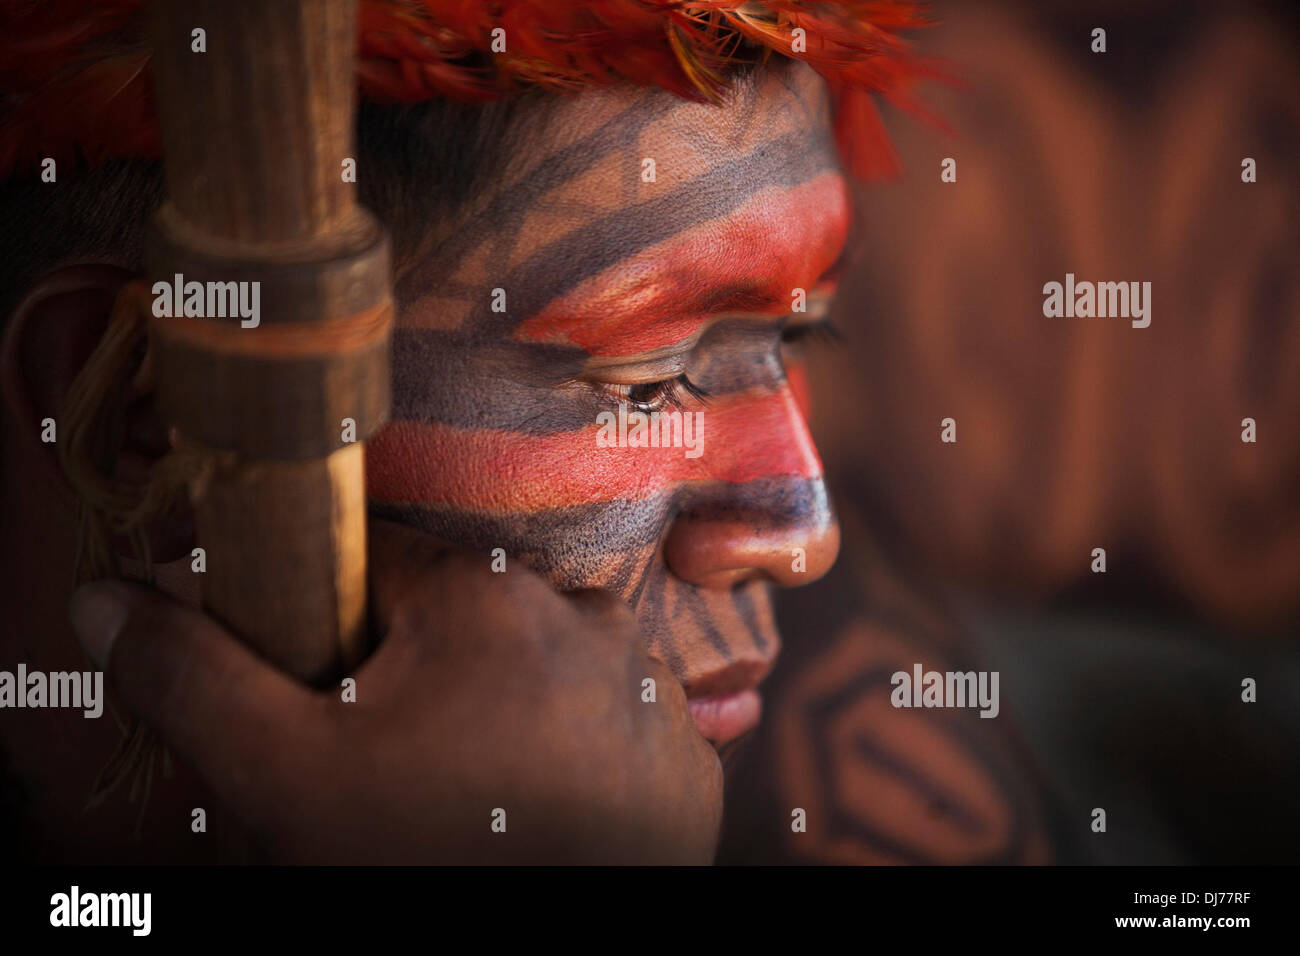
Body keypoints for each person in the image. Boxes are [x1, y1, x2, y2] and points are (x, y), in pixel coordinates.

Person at [1, 1, 960, 863]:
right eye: (650, 380)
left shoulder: (875, 790)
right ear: (158, 413)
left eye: (796, 336)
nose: (802, 537)